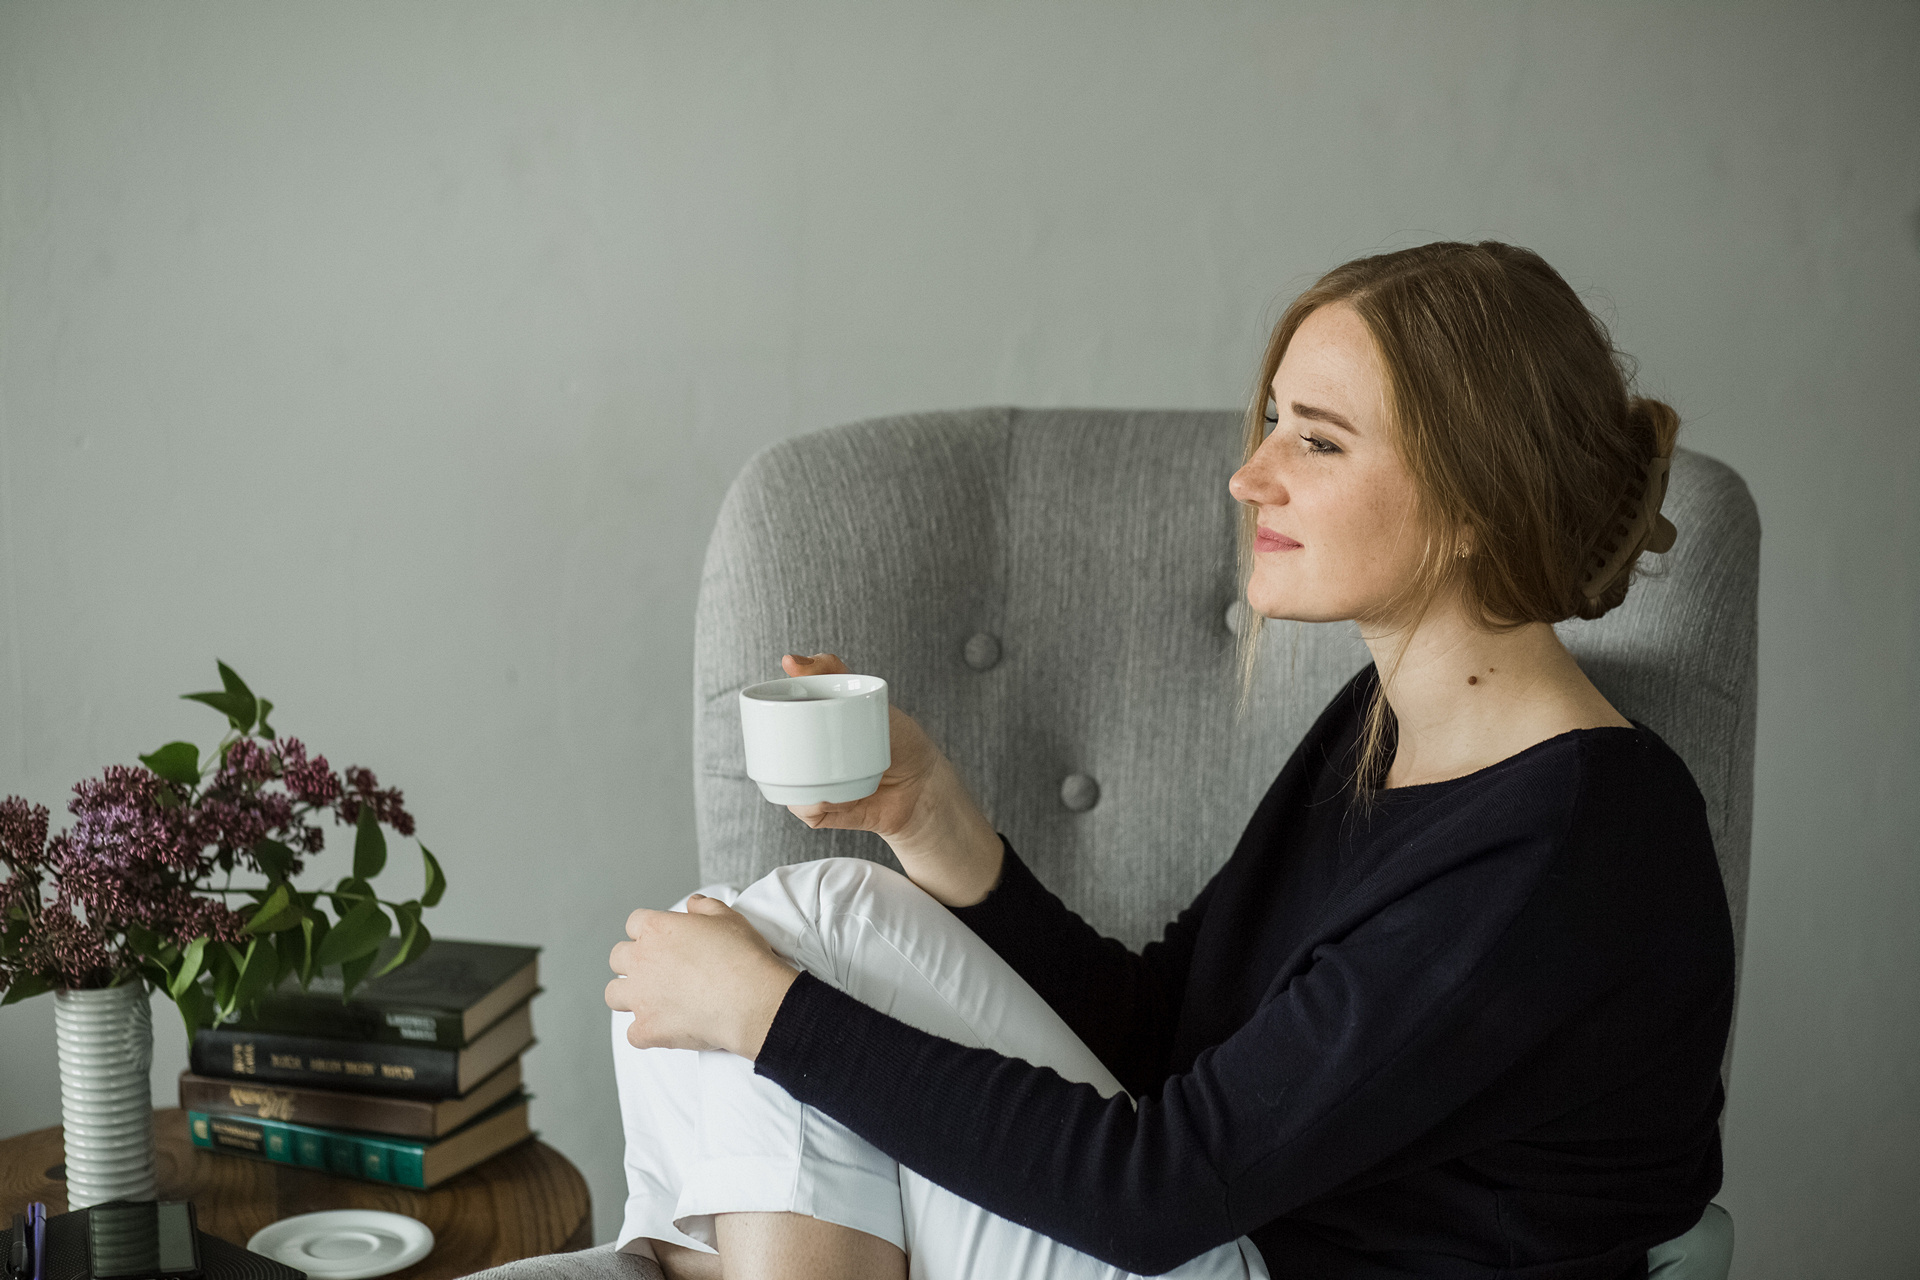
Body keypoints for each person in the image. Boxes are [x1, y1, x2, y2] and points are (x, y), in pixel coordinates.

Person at [604, 241, 1735, 1280]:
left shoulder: (1571, 841)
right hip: (1212, 1238)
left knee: (807, 929)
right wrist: (930, 818)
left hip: (1233, 1252)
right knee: (708, 951)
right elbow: (1164, 1037)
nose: (1252, 475)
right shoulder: (1382, 725)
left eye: (1318, 438)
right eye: (1274, 421)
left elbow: (1156, 1191)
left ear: (1478, 500)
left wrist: (774, 1016)